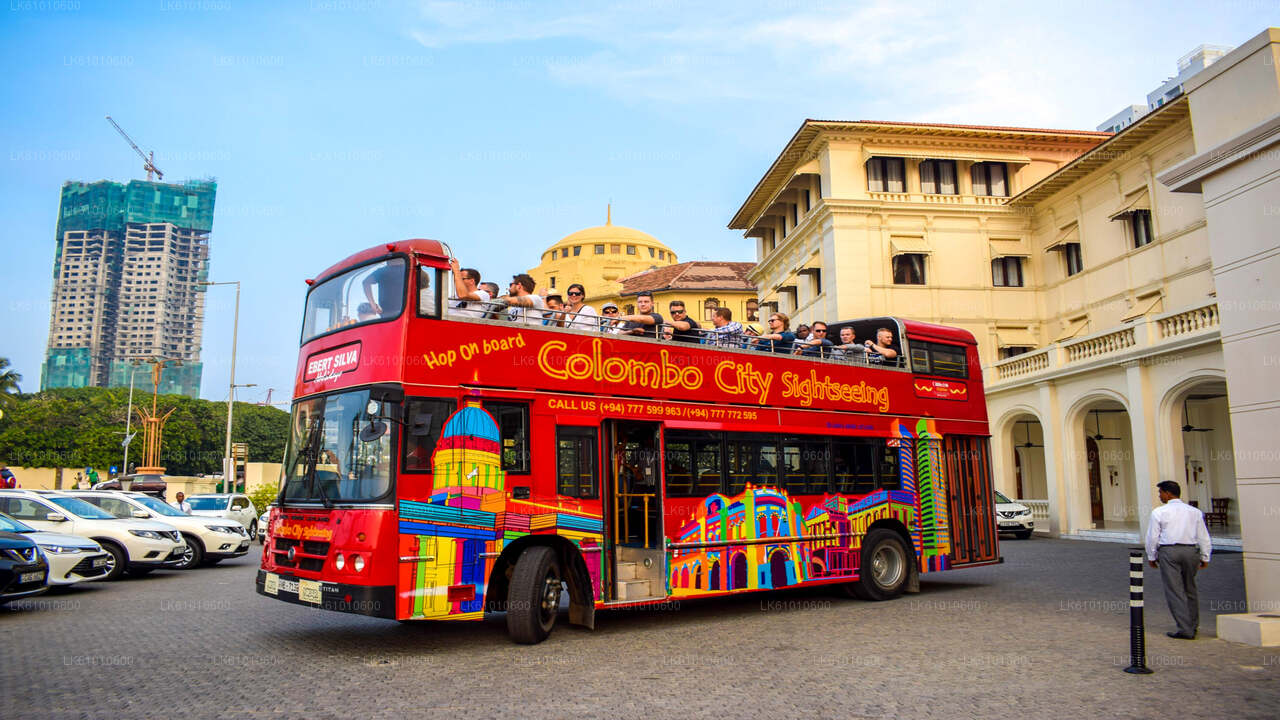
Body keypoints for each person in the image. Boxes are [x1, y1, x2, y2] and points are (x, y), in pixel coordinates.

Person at [1145, 480, 1212, 639]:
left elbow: (1152, 537)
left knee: (1175, 591)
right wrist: (1205, 555)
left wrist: (1151, 556)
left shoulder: (1159, 512)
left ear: (1168, 493)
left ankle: (1184, 628)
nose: (1159, 496)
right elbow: (1203, 536)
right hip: (1190, 550)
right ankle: (1193, 625)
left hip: (1169, 551)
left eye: (1160, 492)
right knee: (1190, 588)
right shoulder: (1194, 512)